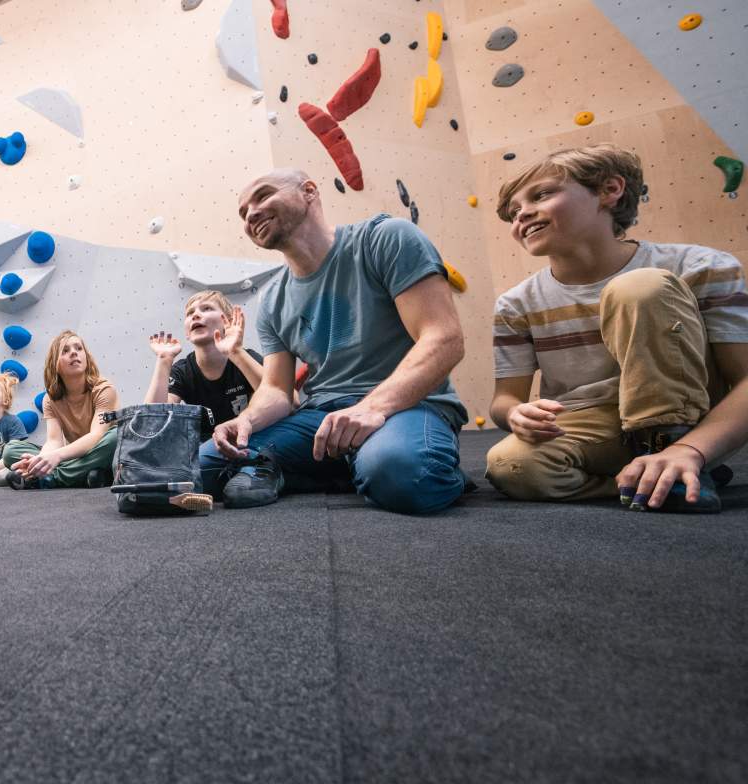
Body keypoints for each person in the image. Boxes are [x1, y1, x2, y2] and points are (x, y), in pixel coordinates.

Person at [486, 143, 748, 512]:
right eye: (513, 212)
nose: (522, 215)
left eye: (541, 194)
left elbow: (744, 381)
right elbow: (504, 399)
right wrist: (514, 413)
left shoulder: (701, 266)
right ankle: (644, 481)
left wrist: (690, 448)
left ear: (609, 190)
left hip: (693, 415)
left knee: (641, 287)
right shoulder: (516, 304)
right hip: (595, 419)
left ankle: (673, 453)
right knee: (510, 466)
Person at [210, 168, 470, 513]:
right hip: (321, 418)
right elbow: (276, 389)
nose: (251, 213)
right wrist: (249, 421)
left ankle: (398, 461)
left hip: (405, 405)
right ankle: (350, 463)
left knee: (405, 475)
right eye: (243, 213)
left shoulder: (386, 238)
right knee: (204, 466)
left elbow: (444, 338)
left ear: (309, 191)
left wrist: (373, 408)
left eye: (263, 196)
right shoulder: (272, 300)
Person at [144, 289, 264, 497]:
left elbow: (282, 398)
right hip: (208, 445)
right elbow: (151, 422)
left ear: (226, 322)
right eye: (190, 313)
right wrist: (164, 360)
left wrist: (236, 352)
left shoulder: (246, 358)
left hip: (250, 439)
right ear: (188, 333)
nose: (196, 315)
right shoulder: (183, 370)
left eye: (206, 309)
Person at [1, 330, 120, 489]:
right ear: (55, 363)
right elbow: (54, 441)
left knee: (117, 436)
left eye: (78, 348)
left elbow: (96, 435)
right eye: (65, 350)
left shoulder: (104, 389)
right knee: (11, 451)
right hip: (73, 456)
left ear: (86, 357)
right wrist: (41, 460)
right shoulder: (49, 399)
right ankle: (84, 475)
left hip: (100, 450)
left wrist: (56, 457)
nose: (74, 353)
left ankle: (51, 478)